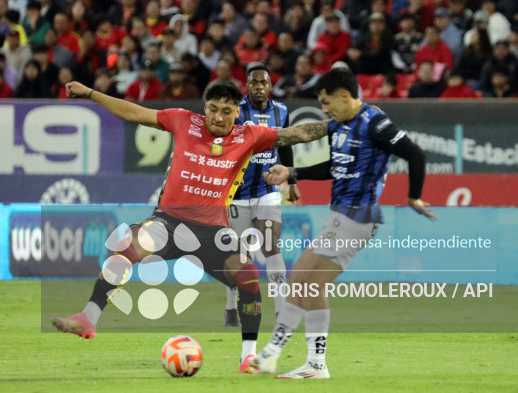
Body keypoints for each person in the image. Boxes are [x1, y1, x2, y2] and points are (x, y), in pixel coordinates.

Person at [52, 79, 330, 373]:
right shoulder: (183, 120)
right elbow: (134, 113)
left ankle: (247, 356)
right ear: (204, 108)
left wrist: (338, 124)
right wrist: (92, 93)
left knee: (248, 278)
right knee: (125, 247)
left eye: (226, 111)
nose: (218, 117)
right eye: (212, 109)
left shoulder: (250, 135)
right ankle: (89, 317)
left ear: (238, 112)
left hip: (212, 233)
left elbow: (297, 133)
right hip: (167, 224)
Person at [251, 67, 432, 379]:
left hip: (358, 214)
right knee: (312, 284)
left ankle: (271, 353)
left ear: (346, 97)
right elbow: (333, 167)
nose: (324, 109)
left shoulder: (374, 122)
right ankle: (316, 364)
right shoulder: (337, 126)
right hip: (343, 215)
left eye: (326, 102)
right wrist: (292, 173)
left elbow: (415, 154)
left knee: (301, 276)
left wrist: (414, 196)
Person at [223, 64, 300, 328]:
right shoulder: (235, 111)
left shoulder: (282, 111)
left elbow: (286, 143)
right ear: (247, 86)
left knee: (270, 245)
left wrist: (291, 179)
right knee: (239, 254)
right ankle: (232, 306)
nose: (258, 87)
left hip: (267, 192)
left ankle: (282, 312)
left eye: (263, 82)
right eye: (254, 83)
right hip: (238, 195)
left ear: (270, 86)